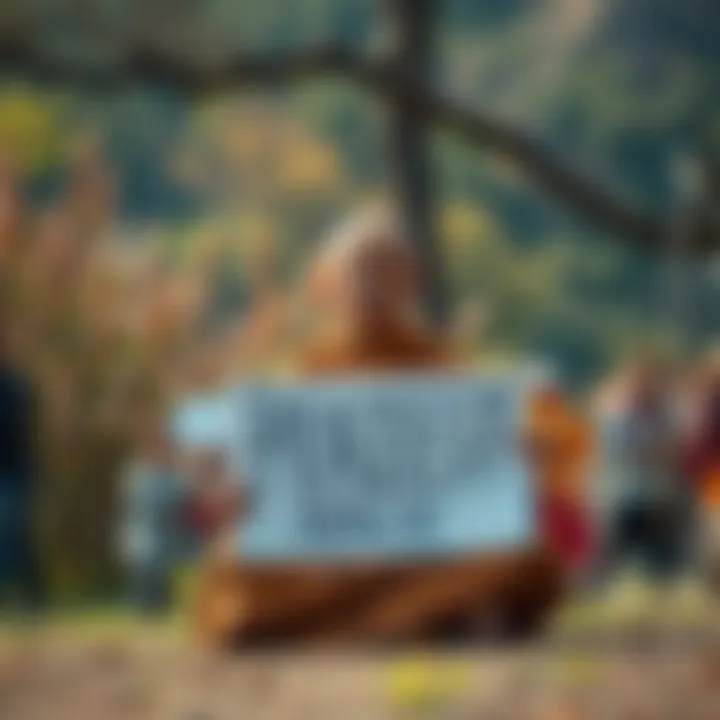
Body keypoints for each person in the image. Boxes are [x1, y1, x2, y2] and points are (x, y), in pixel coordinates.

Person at [194, 207, 580, 647]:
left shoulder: (443, 367)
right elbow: (250, 475)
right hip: (330, 554)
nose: (373, 286)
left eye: (387, 272)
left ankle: (345, 624)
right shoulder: (304, 376)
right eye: (360, 271)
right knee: (233, 559)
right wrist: (231, 486)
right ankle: (424, 618)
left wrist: (518, 458)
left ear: (411, 283)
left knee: (522, 556)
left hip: (426, 552)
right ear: (326, 284)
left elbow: (510, 456)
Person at [606, 358, 686, 582]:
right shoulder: (620, 416)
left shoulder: (664, 415)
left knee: (662, 555)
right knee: (623, 551)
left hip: (659, 493)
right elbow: (620, 451)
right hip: (628, 494)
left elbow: (673, 449)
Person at [0, 315, 44, 611]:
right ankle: (29, 595)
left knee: (13, 535)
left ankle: (31, 595)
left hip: (13, 473)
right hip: (14, 473)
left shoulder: (17, 388)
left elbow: (20, 431)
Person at [118, 421, 182, 615]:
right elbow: (143, 503)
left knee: (159, 578)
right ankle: (145, 605)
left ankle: (156, 604)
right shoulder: (138, 473)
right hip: (144, 539)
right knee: (146, 575)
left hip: (163, 541)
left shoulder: (169, 474)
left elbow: (176, 502)